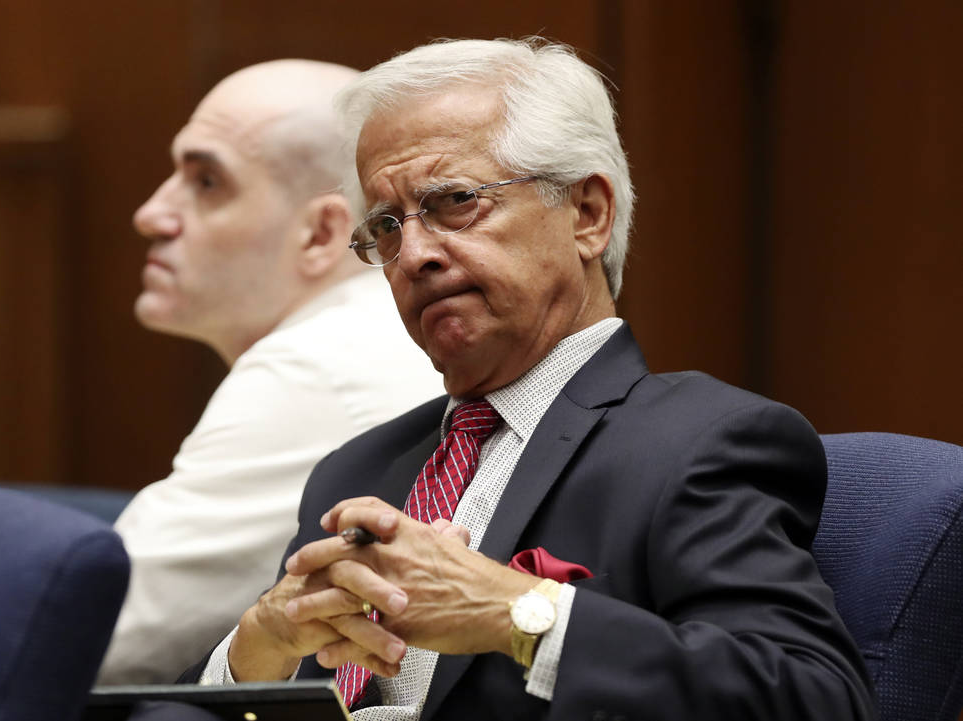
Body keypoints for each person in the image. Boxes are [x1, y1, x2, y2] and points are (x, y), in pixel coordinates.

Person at [181, 39, 876, 720]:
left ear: (587, 214)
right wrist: (252, 657)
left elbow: (813, 698)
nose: (413, 254)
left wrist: (514, 613)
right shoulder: (355, 470)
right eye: (386, 227)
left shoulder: (698, 442)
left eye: (455, 200)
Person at [97, 59, 444, 685]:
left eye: (206, 182)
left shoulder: (312, 369)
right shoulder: (371, 328)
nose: (151, 214)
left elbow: (84, 631)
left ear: (319, 233)